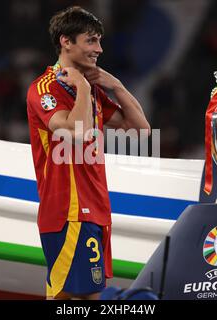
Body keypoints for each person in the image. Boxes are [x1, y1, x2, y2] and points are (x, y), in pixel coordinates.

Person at [26, 6, 150, 300]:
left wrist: (115, 85)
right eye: (91, 40)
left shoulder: (93, 91)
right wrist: (82, 85)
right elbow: (75, 132)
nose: (99, 49)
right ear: (66, 41)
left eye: (99, 41)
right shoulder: (44, 88)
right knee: (72, 298)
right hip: (68, 210)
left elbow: (140, 128)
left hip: (94, 208)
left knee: (80, 298)